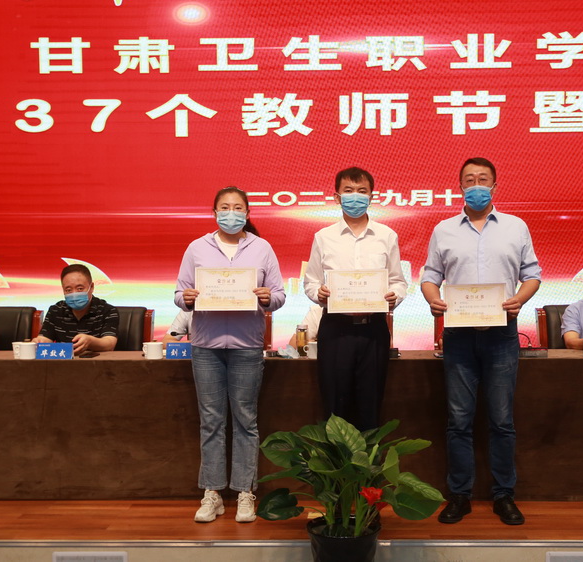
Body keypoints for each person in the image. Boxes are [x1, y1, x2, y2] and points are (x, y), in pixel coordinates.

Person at [421, 157, 541, 526]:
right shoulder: (444, 230)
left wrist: (519, 299)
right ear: (460, 187)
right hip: (458, 336)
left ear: (494, 186)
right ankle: (459, 495)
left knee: (502, 420)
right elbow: (430, 275)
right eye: (470, 180)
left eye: (483, 179)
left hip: (502, 335)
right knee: (458, 420)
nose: (476, 185)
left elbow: (532, 274)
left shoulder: (516, 227)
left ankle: (504, 495)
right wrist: (432, 299)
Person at [174, 186, 285, 525]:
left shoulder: (262, 248)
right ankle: (212, 493)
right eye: (225, 207)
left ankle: (245, 492)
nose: (231, 213)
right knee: (211, 421)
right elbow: (179, 294)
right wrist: (186, 298)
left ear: (248, 213)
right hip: (206, 345)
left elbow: (279, 296)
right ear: (215, 213)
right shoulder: (197, 248)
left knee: (245, 420)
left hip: (247, 345)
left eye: (238, 208)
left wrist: (267, 298)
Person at [303, 167, 407, 431]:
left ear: (372, 196)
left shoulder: (386, 235)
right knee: (335, 408)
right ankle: (337, 460)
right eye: (348, 191)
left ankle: (367, 459)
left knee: (370, 407)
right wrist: (319, 293)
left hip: (374, 330)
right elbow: (311, 282)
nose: (355, 196)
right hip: (335, 330)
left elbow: (398, 281)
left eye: (362, 191)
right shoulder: (323, 237)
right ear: (336, 196)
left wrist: (394, 296)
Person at [33, 264, 119, 354]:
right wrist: (39, 342)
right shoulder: (55, 310)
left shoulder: (108, 310)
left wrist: (91, 341)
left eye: (80, 288)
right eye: (68, 290)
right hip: (63, 361)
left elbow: (109, 343)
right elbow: (46, 338)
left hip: (96, 361)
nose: (74, 294)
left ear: (91, 287)